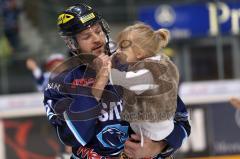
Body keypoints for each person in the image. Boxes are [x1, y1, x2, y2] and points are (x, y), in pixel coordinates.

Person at [43, 3, 191, 159]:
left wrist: (158, 147)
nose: (97, 39)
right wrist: (99, 82)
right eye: (86, 36)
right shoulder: (61, 84)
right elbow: (72, 137)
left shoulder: (138, 66)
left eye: (98, 31)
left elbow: (182, 122)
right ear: (72, 44)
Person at [109, 23, 179, 148]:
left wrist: (106, 68)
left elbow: (123, 80)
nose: (118, 51)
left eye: (123, 48)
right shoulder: (161, 62)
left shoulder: (150, 70)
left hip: (151, 134)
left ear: (139, 53)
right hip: (158, 128)